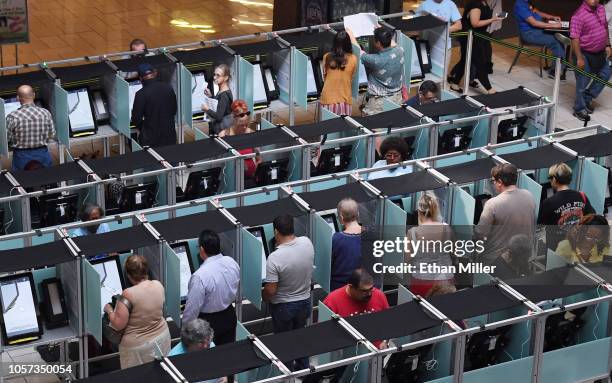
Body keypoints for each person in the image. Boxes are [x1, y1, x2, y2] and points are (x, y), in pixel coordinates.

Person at [263, 214, 314, 370]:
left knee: (284, 343)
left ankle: (286, 373)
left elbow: (271, 291)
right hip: (305, 302)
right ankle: (304, 369)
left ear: (276, 232)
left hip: (284, 307)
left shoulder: (274, 258)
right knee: (300, 338)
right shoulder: (307, 243)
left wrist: (263, 296)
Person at [103, 255, 171, 369]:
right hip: (162, 338)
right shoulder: (158, 284)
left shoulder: (128, 294)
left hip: (137, 348)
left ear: (128, 275)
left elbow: (118, 324)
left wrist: (109, 310)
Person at [183, 230, 240, 346]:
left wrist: (185, 332)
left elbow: (192, 310)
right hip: (229, 316)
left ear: (202, 249)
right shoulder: (232, 262)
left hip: (207, 324)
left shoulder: (200, 276)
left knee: (209, 359)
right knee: (226, 354)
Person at [475, 163, 537, 264]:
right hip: (524, 258)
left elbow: (480, 233)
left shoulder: (492, 203)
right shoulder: (529, 195)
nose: (493, 184)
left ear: (499, 182)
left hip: (497, 261)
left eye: (493, 181)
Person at [323, 268, 389, 348]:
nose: (369, 294)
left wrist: (385, 342)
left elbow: (387, 323)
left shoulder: (379, 295)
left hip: (376, 352)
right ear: (351, 287)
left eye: (371, 289)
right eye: (364, 291)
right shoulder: (332, 300)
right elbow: (326, 333)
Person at [448, 0, 504, 94]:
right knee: (479, 62)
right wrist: (493, 19)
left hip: (478, 36)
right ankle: (489, 89)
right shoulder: (476, 4)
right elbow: (475, 23)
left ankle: (455, 83)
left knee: (465, 60)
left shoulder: (484, 3)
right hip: (471, 37)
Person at [346, 27, 404, 116]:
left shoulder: (376, 60)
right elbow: (392, 43)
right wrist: (382, 30)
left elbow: (359, 51)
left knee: (376, 128)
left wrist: (350, 34)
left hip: (378, 103)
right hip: (396, 98)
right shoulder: (400, 50)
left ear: (378, 43)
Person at [570, 0, 612, 121]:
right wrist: (579, 58)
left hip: (600, 52)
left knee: (605, 73)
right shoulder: (578, 16)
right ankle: (579, 109)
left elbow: (605, 27)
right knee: (582, 84)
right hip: (584, 54)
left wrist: (608, 45)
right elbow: (574, 39)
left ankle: (587, 99)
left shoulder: (601, 9)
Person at [407, 193, 456, 296]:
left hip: (421, 281)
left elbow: (406, 260)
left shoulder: (412, 232)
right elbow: (454, 252)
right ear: (436, 209)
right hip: (445, 280)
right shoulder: (447, 229)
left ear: (419, 212)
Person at [538, 163, 595, 250]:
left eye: (550, 178)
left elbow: (540, 225)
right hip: (578, 245)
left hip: (556, 250)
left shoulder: (549, 202)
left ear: (554, 179)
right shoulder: (582, 196)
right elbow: (592, 216)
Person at [6, 85, 55, 171]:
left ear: (18, 98)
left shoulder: (12, 116)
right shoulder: (45, 113)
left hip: (21, 157)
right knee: (47, 179)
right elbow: (52, 134)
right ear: (34, 95)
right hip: (43, 154)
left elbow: (7, 139)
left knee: (22, 181)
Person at [513, 0, 566, 79]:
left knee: (558, 37)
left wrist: (551, 17)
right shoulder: (520, 5)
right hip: (529, 34)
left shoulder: (526, 1)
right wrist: (553, 25)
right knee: (557, 41)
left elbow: (537, 12)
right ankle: (555, 72)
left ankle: (557, 66)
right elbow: (534, 23)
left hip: (535, 31)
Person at [130, 63, 178, 148]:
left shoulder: (141, 94)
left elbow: (136, 119)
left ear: (140, 78)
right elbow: (174, 109)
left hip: (151, 138)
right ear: (154, 73)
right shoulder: (168, 87)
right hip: (170, 135)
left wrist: (144, 127)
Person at [218, 100, 261, 179]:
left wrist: (257, 171)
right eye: (241, 125)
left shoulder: (251, 133)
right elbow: (220, 164)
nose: (245, 127)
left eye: (246, 124)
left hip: (251, 178)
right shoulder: (223, 135)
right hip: (231, 179)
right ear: (234, 121)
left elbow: (259, 159)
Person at [416, 0, 463, 71]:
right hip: (426, 46)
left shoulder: (450, 4)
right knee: (426, 72)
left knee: (441, 75)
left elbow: (458, 25)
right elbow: (416, 23)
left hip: (443, 47)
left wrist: (442, 31)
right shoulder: (425, 4)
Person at [320, 31, 358, 116]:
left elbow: (324, 76)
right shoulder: (353, 59)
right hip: (345, 99)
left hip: (328, 99)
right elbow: (351, 78)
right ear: (348, 44)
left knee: (328, 128)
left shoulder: (327, 57)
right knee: (344, 128)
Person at [330, 198, 362, 291]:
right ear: (358, 214)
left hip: (341, 290)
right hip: (366, 288)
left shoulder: (336, 239)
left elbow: (328, 267)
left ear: (341, 217)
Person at [202, 64, 234, 135]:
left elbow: (218, 116)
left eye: (218, 75)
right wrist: (211, 96)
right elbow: (220, 105)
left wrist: (207, 109)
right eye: (214, 74)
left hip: (221, 133)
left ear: (225, 78)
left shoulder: (224, 95)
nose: (214, 77)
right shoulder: (222, 91)